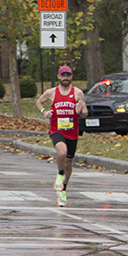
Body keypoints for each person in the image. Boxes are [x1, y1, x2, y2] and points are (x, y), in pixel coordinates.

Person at [35, 65, 88, 207]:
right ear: (58, 77)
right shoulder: (52, 92)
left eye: (68, 75)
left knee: (69, 163)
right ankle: (59, 174)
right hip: (56, 129)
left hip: (72, 131)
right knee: (62, 152)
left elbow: (85, 112)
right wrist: (44, 112)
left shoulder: (77, 93)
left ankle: (64, 188)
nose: (66, 78)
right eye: (63, 75)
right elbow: (39, 102)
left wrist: (79, 110)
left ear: (71, 77)